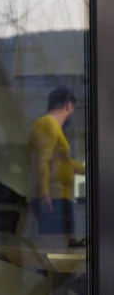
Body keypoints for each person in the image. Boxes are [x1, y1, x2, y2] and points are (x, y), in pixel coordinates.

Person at [28, 87, 85, 235]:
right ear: (68, 105)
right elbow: (42, 161)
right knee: (54, 243)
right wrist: (44, 194)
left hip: (59, 196)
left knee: (62, 241)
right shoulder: (47, 124)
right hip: (52, 198)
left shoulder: (54, 127)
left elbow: (65, 162)